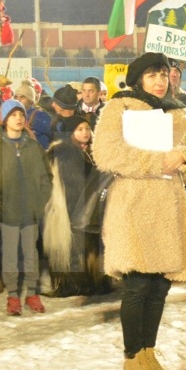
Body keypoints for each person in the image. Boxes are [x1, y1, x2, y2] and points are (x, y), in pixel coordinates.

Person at [93, 52, 186, 370]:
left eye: (164, 74)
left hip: (169, 209)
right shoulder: (119, 107)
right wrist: (158, 161)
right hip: (134, 206)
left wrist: (185, 158)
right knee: (139, 284)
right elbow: (106, 154)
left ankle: (148, 353)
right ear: (138, 77)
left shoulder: (179, 112)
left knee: (159, 287)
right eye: (152, 75)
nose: (159, 81)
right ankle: (132, 359)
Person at [0, 99, 52, 316]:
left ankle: (31, 293)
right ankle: (13, 296)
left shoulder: (33, 146)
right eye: (13, 115)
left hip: (30, 212)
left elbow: (46, 176)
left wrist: (39, 201)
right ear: (5, 120)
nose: (19, 118)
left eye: (21, 114)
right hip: (8, 213)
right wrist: (1, 205)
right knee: (10, 255)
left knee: (31, 254)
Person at [44, 112, 111, 297]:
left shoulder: (89, 152)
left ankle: (87, 282)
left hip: (83, 209)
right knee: (75, 248)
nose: (85, 133)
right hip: (70, 208)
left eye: (87, 129)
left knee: (85, 247)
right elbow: (74, 183)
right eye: (80, 129)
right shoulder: (65, 153)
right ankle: (75, 284)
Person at [13, 79, 52, 149]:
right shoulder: (12, 116)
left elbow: (51, 136)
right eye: (16, 97)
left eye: (22, 97)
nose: (18, 100)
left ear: (31, 101)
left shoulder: (40, 116)